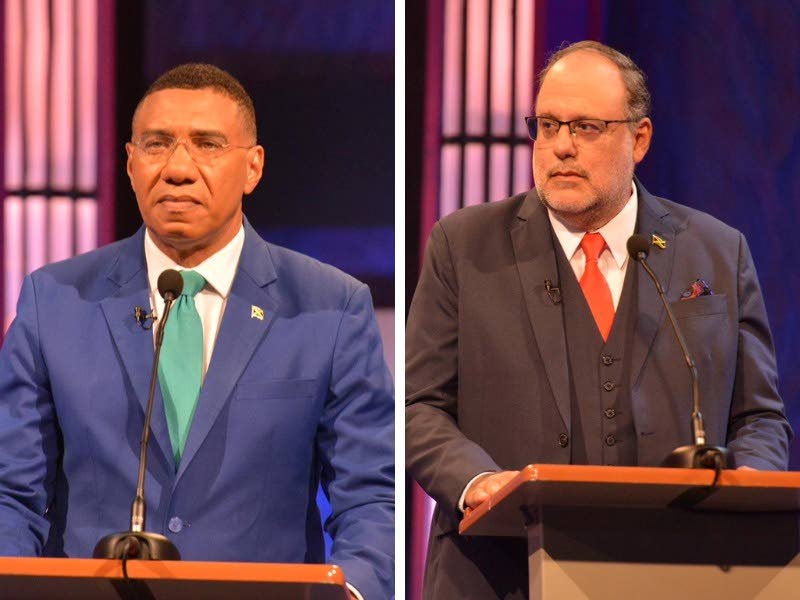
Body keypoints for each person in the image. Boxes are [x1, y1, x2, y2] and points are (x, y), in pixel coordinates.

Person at [406, 40, 791, 598]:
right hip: (500, 574)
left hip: (679, 571)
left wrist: (747, 483)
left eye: (586, 127)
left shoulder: (716, 252)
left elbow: (758, 416)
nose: (561, 146)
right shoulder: (463, 246)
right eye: (547, 126)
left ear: (639, 139)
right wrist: (478, 480)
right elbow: (420, 405)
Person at [0, 64, 393, 600]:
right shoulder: (54, 301)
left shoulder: (331, 307)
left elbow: (371, 495)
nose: (178, 169)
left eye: (207, 145)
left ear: (253, 167)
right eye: (157, 144)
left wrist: (353, 593)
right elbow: (10, 491)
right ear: (131, 164)